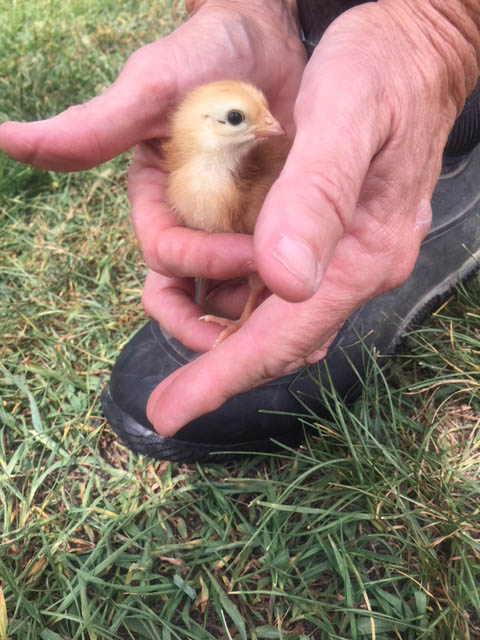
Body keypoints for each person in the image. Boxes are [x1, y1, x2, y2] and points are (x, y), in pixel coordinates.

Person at [1, 0, 479, 462]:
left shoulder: (251, 170)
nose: (271, 126)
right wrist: (250, 7)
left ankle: (444, 148)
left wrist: (440, 26)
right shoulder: (198, 176)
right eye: (238, 119)